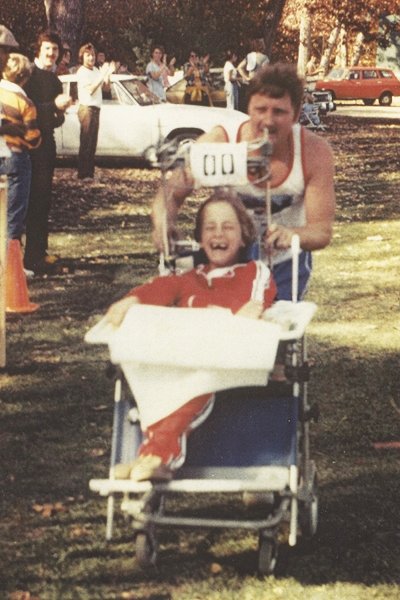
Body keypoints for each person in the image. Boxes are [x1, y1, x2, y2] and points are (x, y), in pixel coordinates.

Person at [104, 192, 277, 481]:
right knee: (159, 376)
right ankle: (152, 456)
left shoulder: (254, 272)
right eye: (210, 227)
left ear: (244, 235)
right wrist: (131, 301)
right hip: (187, 358)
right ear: (200, 236)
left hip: (225, 359)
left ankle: (158, 453)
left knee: (191, 380)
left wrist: (236, 315)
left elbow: (254, 305)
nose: (218, 234)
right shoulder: (190, 278)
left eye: (228, 227)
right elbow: (160, 288)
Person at [151, 62, 336, 302]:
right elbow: (171, 193)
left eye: (279, 112)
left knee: (275, 332)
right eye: (260, 109)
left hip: (283, 263)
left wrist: (291, 235)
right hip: (226, 258)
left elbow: (321, 231)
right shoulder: (221, 140)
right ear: (248, 107)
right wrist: (163, 225)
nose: (268, 121)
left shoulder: (314, 153)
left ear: (297, 113)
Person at [23, 30, 72, 274]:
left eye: (55, 50)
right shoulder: (27, 75)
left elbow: (53, 122)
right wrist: (53, 106)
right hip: (28, 148)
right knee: (28, 202)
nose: (52, 54)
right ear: (38, 50)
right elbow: (27, 113)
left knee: (43, 202)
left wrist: (60, 113)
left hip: (47, 148)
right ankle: (25, 258)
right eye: (48, 49)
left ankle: (38, 253)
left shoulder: (55, 81)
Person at [0, 54, 41, 244]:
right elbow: (32, 138)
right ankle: (11, 267)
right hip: (15, 158)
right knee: (13, 216)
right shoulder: (25, 103)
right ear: (25, 77)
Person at [76, 43, 115, 181]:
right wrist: (103, 73)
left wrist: (108, 74)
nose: (91, 58)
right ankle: (83, 174)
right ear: (82, 57)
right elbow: (91, 89)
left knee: (92, 142)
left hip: (96, 108)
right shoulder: (82, 71)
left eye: (92, 55)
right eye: (88, 55)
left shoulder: (96, 70)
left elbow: (105, 89)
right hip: (86, 108)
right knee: (86, 141)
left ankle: (89, 173)